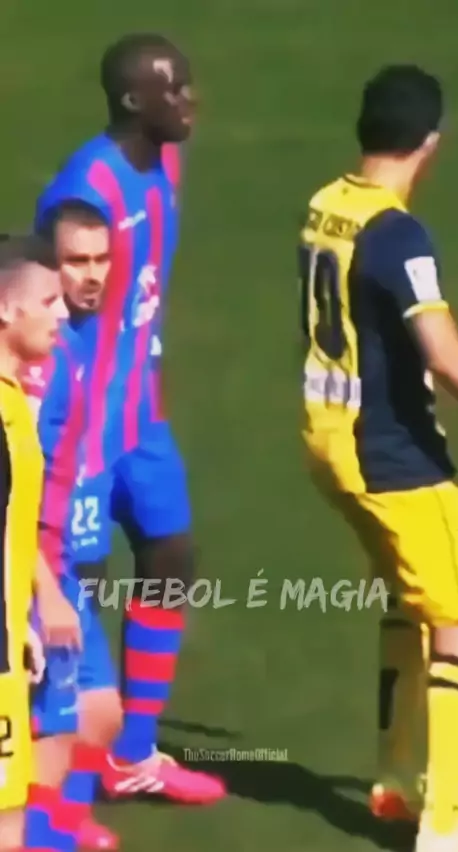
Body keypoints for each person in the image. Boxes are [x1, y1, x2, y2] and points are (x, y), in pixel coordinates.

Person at [34, 31, 226, 849]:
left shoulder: (165, 163)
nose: (190, 101)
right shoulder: (86, 187)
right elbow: (44, 300)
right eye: (173, 90)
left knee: (171, 552)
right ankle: (60, 799)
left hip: (139, 414)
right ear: (132, 101)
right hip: (82, 426)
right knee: (74, 602)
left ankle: (133, 754)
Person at [299, 64, 458, 852]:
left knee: (410, 605)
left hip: (330, 444)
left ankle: (394, 784)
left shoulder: (325, 206)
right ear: (430, 144)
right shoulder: (399, 236)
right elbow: (448, 359)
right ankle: (443, 823)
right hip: (393, 458)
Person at [19, 204, 122, 852]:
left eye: (100, 259)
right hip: (32, 569)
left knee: (99, 713)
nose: (89, 277)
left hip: (53, 560)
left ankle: (56, 825)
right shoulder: (32, 375)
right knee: (52, 737)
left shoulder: (71, 347)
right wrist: (44, 591)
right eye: (73, 264)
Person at [0, 235, 66, 852]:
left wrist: (19, 614)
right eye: (49, 301)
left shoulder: (13, 397)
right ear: (6, 308)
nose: (63, 312)